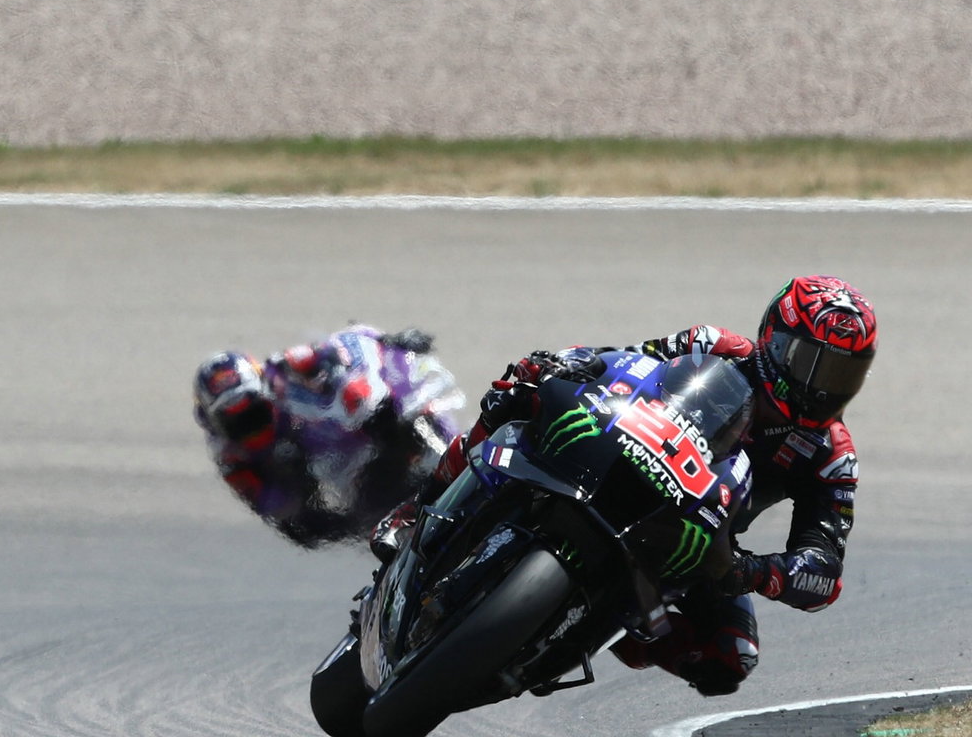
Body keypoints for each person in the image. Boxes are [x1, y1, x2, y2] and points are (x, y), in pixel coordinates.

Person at [371, 275, 877, 696]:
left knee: (731, 657)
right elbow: (624, 364)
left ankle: (603, 630)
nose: (827, 386)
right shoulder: (713, 346)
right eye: (818, 364)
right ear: (777, 343)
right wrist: (566, 364)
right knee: (518, 393)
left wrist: (753, 572)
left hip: (690, 533)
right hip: (613, 459)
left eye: (845, 373)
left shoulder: (831, 455)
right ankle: (419, 509)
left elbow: (823, 571)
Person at [194, 323, 467, 547]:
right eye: (235, 420)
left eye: (253, 410)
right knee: (374, 523)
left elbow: (345, 345)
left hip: (381, 414)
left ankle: (466, 459)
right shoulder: (232, 458)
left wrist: (389, 343)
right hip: (352, 469)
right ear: (213, 423)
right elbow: (282, 514)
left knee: (379, 408)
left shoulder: (287, 367)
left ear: (264, 388)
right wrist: (301, 496)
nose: (249, 424)